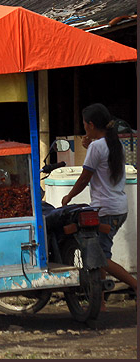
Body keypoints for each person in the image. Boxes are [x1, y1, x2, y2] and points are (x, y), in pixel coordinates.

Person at [61, 104, 137, 303]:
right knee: (102, 254)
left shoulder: (97, 147)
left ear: (91, 125)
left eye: (85, 125)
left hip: (106, 210)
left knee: (101, 258)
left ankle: (136, 285)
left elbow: (85, 178)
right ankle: (100, 302)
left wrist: (68, 197)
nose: (84, 128)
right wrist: (90, 145)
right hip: (119, 207)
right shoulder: (113, 144)